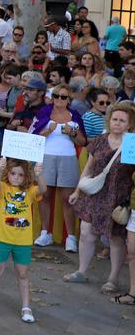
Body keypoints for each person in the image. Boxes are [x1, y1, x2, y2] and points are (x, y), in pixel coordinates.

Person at [64, 101, 135, 292]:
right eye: (114, 119)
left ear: (129, 124)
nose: (117, 123)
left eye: (122, 120)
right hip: (95, 194)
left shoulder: (132, 143)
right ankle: (81, 271)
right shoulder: (100, 141)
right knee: (86, 232)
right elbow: (88, 168)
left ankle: (113, 279)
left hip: (118, 198)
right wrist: (77, 191)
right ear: (109, 121)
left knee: (115, 238)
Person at [0, 157, 46, 324]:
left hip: (23, 240)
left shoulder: (30, 191)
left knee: (23, 273)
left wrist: (39, 175)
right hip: (2, 237)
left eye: (20, 175)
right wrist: (0, 169)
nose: (16, 177)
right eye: (13, 173)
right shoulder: (4, 187)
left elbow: (43, 189)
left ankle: (26, 307)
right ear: (8, 174)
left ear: (26, 176)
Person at [30, 83, 86, 251]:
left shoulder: (75, 115)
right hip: (46, 157)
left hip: (68, 158)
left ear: (69, 99)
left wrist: (72, 133)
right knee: (45, 195)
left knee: (68, 199)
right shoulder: (44, 112)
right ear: (52, 97)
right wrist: (47, 131)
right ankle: (45, 233)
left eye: (63, 96)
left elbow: (82, 141)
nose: (59, 99)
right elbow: (34, 137)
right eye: (56, 96)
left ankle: (71, 237)